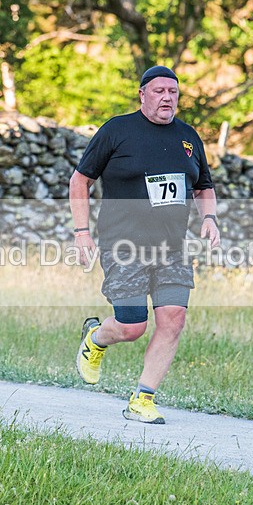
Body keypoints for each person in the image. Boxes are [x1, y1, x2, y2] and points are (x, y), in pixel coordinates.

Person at [68, 65, 220, 424]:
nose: (167, 97)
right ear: (142, 94)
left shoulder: (188, 137)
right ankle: (96, 338)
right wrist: (81, 232)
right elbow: (80, 180)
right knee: (132, 326)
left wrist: (209, 218)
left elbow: (204, 186)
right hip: (124, 244)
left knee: (174, 318)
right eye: (159, 91)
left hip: (173, 246)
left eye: (173, 92)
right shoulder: (117, 131)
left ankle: (142, 399)